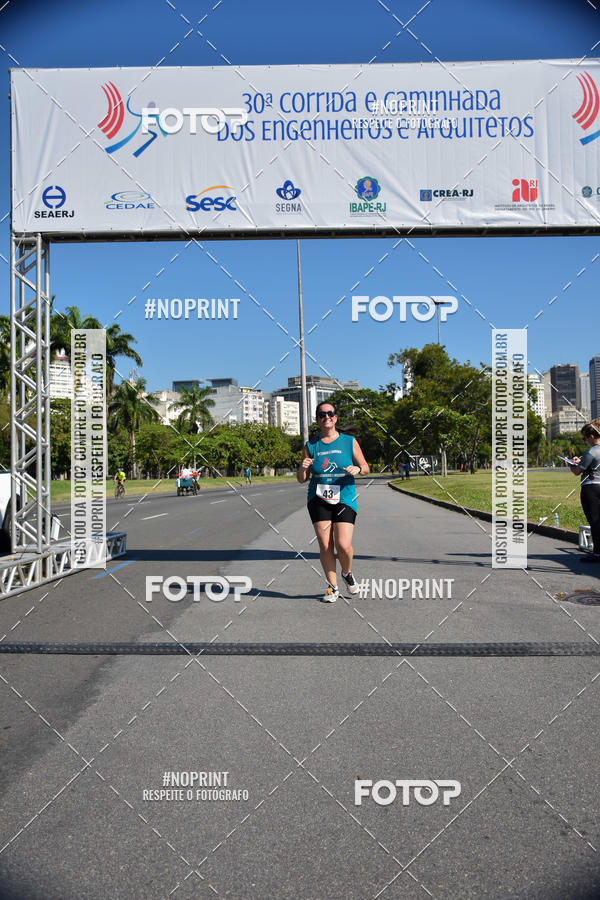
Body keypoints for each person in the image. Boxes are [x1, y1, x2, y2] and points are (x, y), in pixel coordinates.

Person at [297, 401, 369, 602]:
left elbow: (365, 466)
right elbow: (302, 478)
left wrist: (358, 469)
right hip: (318, 498)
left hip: (344, 497)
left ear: (335, 417)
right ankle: (332, 587)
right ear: (317, 419)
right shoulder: (311, 445)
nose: (326, 417)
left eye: (330, 413)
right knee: (326, 545)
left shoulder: (349, 441)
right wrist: (303, 468)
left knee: (343, 545)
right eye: (322, 414)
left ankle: (346, 573)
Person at [568, 420, 600, 563]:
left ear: (592, 436)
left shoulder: (592, 451)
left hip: (590, 488)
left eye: (585, 438)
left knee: (594, 521)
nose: (585, 441)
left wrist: (570, 464)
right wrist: (580, 460)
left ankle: (597, 552)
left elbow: (577, 471)